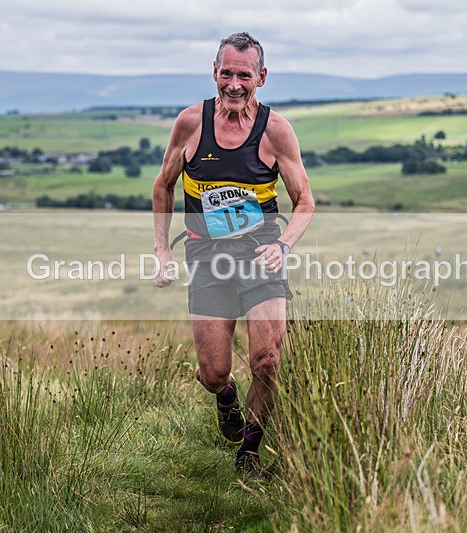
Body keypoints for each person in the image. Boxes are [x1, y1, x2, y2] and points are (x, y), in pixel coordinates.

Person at [152, 32, 315, 480]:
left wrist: (282, 246)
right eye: (227, 73)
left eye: (245, 75)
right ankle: (225, 397)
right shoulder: (191, 124)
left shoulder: (275, 131)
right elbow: (163, 186)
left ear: (261, 78)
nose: (235, 84)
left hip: (260, 255)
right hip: (206, 258)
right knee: (212, 371)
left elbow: (305, 201)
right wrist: (163, 251)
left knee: (267, 360)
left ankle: (250, 453)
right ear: (214, 73)